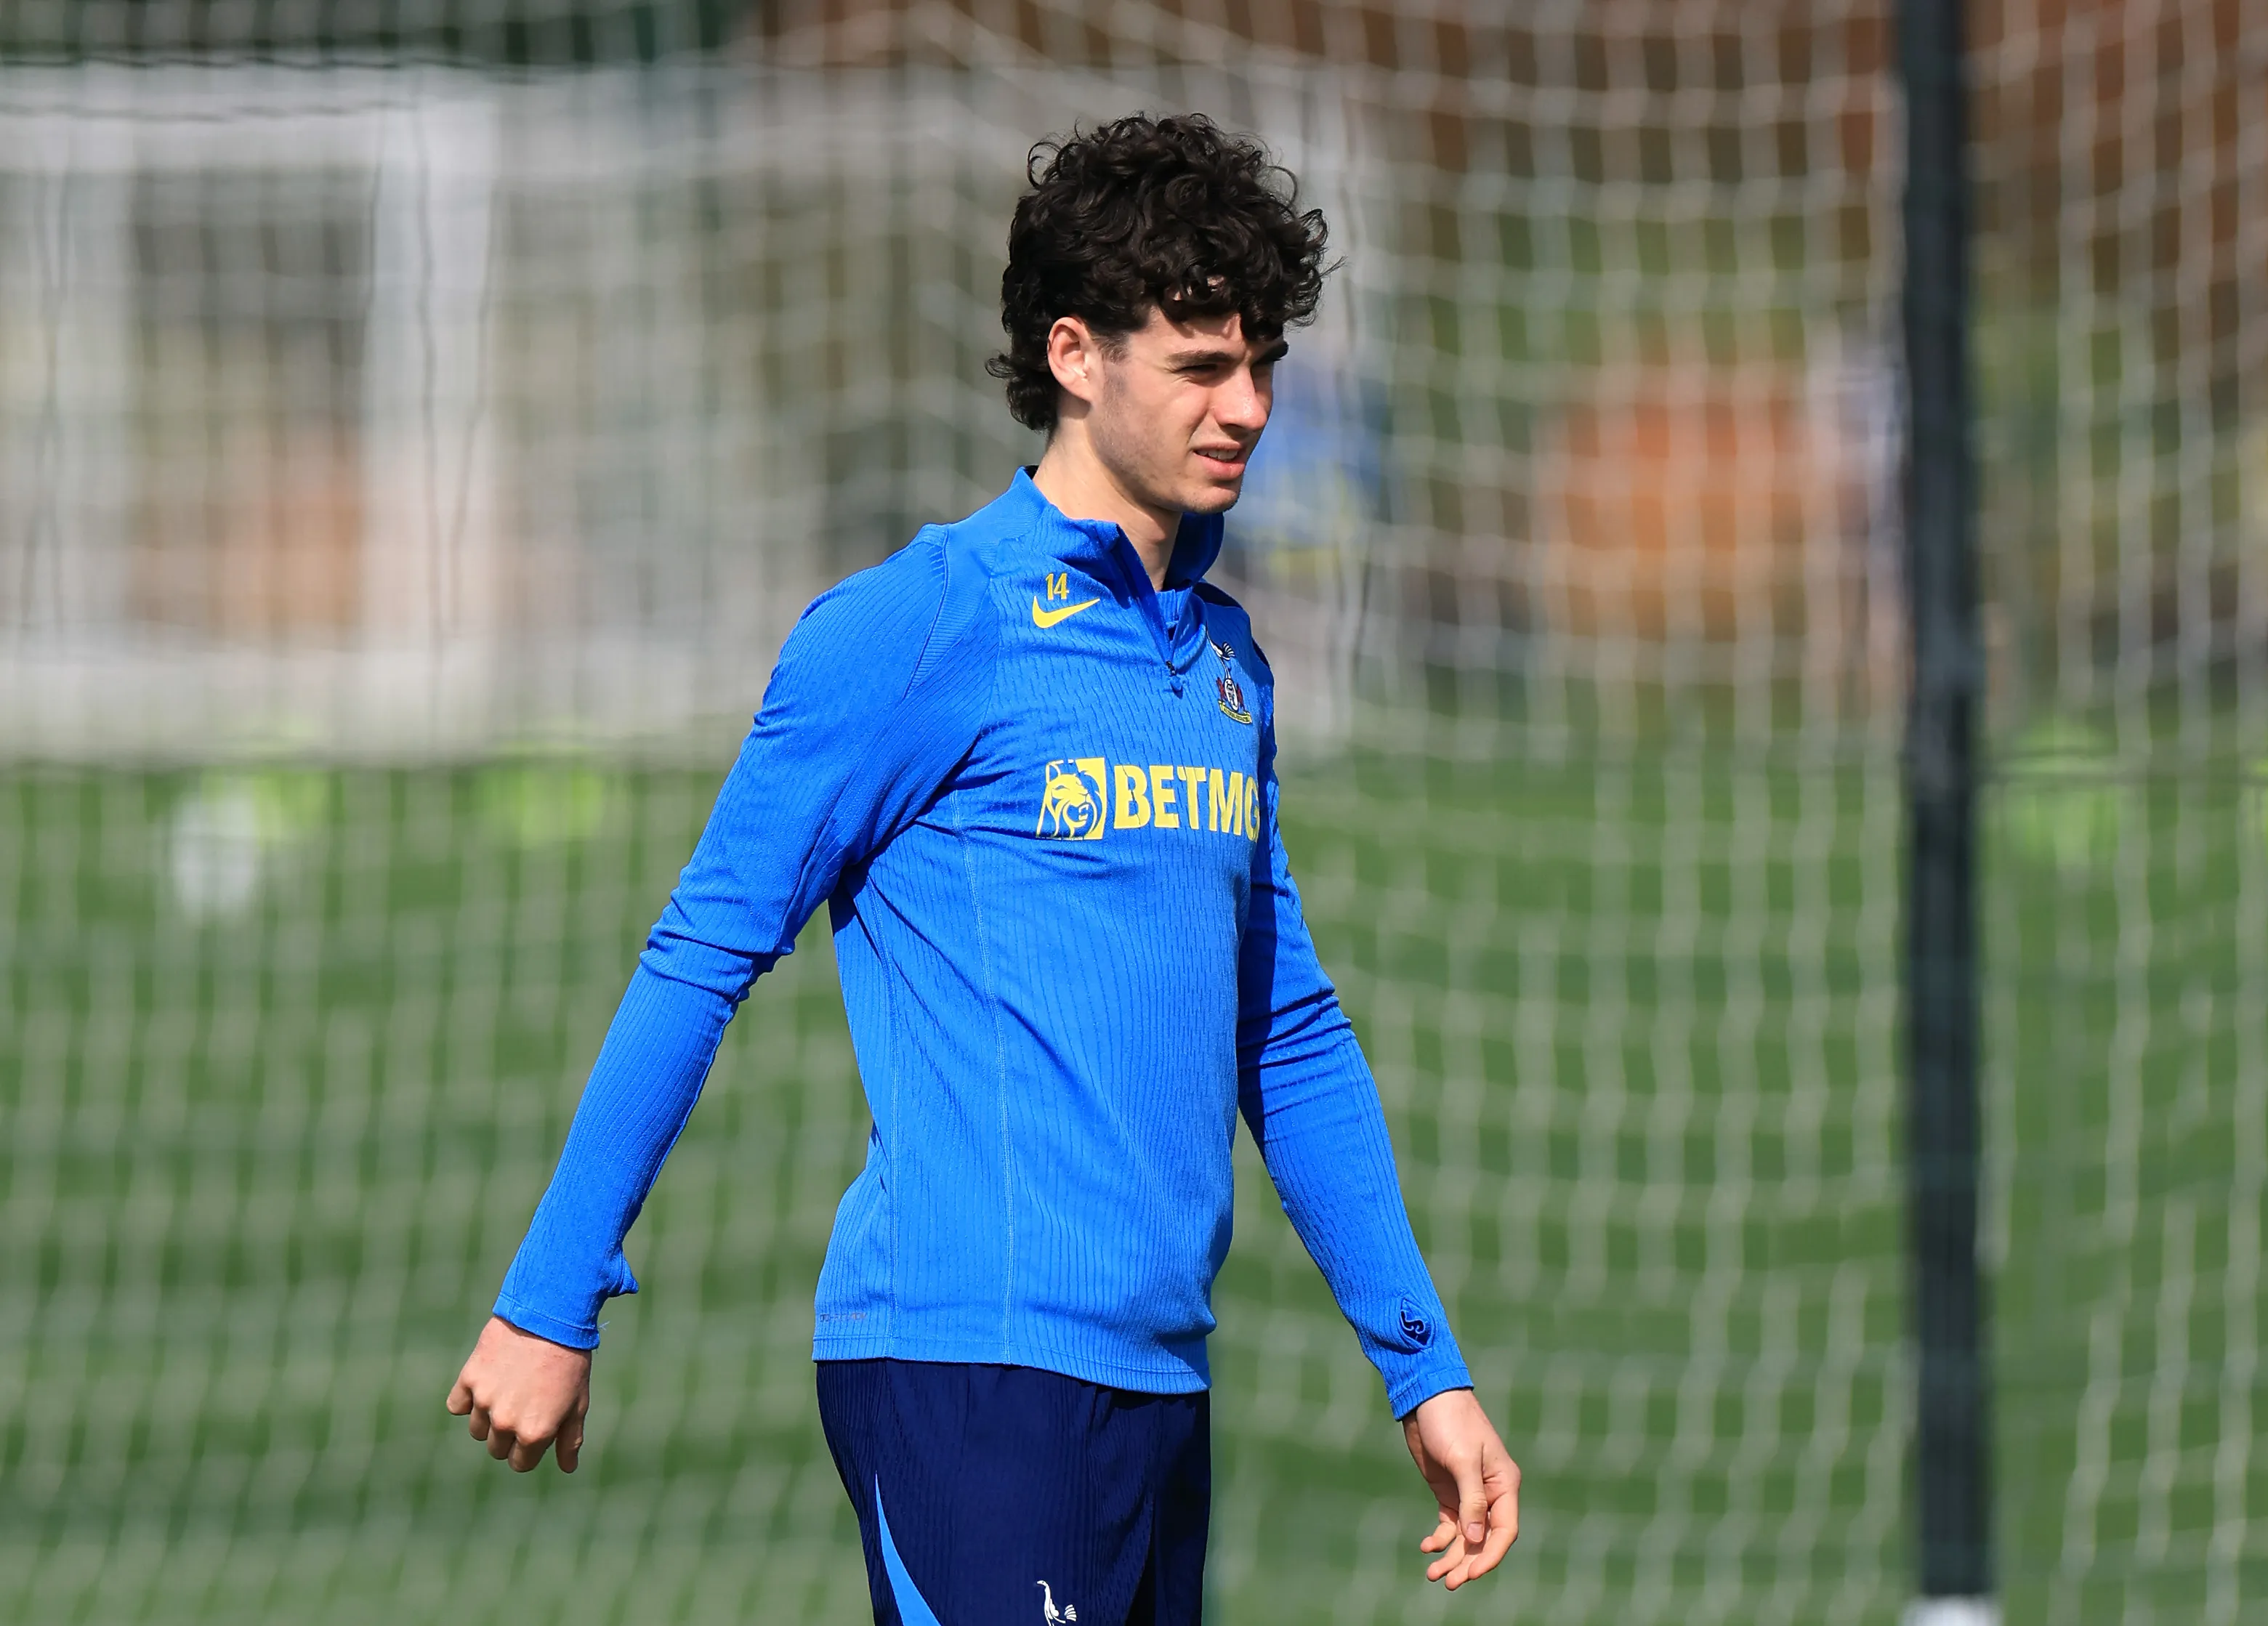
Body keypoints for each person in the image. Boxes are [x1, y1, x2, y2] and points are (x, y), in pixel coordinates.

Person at [445, 111, 1520, 1624]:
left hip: (1158, 1382)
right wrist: (551, 1294)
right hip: (965, 1371)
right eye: (1202, 367)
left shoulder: (1224, 664)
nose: (1250, 408)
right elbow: (701, 955)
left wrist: (1423, 1367)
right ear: (1075, 356)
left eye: (1263, 365)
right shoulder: (921, 622)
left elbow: (1283, 1029)